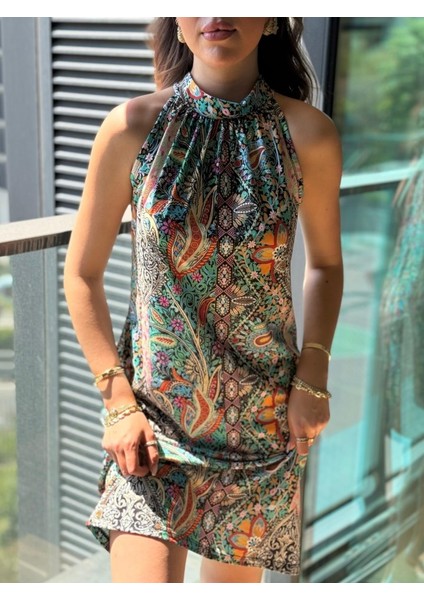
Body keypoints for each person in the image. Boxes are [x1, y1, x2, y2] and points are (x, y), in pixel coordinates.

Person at [64, 17, 343, 583]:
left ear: (271, 18)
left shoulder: (309, 134)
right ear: (177, 18)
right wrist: (117, 401)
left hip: (259, 427)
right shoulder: (130, 128)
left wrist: (313, 373)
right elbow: (82, 273)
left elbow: (325, 265)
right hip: (152, 427)